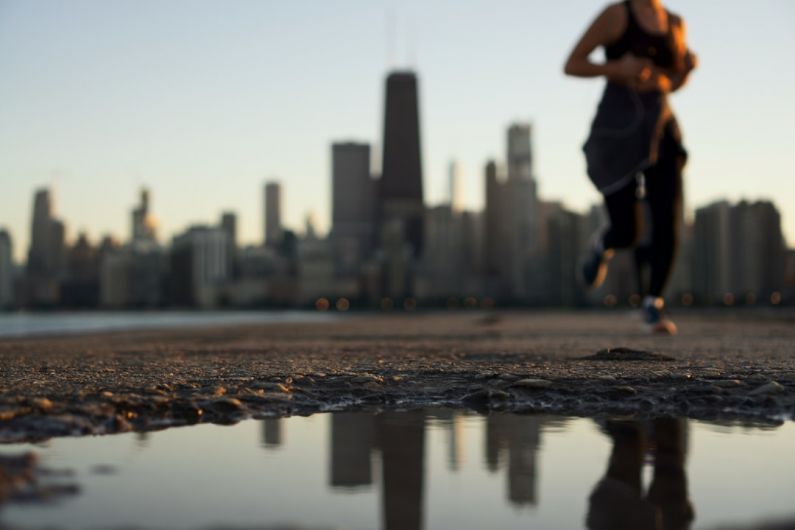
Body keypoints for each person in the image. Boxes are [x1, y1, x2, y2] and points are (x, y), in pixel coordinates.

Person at [564, 0, 697, 334]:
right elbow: (572, 64)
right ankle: (601, 245)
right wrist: (617, 69)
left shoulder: (675, 23)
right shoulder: (616, 16)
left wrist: (684, 73)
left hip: (660, 130)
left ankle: (653, 303)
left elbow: (672, 82)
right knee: (628, 231)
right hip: (618, 132)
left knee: (668, 216)